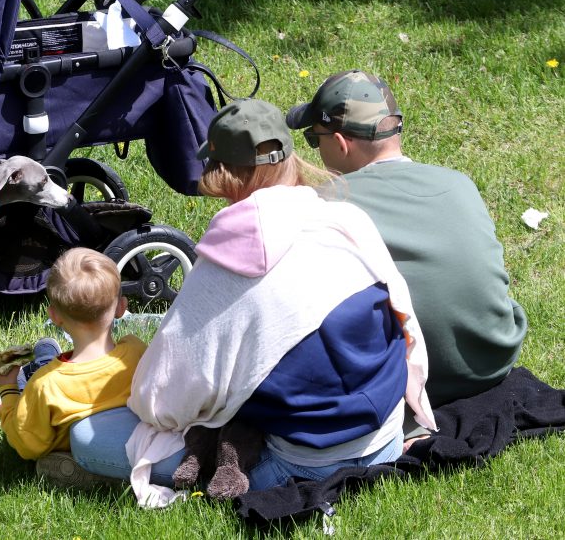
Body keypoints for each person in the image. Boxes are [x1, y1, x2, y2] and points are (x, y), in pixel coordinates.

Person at [70, 98, 437, 507]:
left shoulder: (229, 263)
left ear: (223, 174)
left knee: (87, 437)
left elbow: (162, 398)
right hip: (385, 435)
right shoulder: (349, 221)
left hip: (301, 463)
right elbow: (406, 325)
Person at [285, 70, 528, 422]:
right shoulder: (459, 183)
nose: (314, 146)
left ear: (340, 143)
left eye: (313, 138)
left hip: (420, 381)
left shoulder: (326, 204)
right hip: (494, 358)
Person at [0, 247, 147, 483]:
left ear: (54, 315)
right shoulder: (135, 350)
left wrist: (8, 390)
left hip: (59, 432)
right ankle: (44, 352)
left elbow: (26, 445)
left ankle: (8, 397)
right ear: (121, 308)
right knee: (43, 358)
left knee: (25, 377)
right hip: (120, 439)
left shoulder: (46, 385)